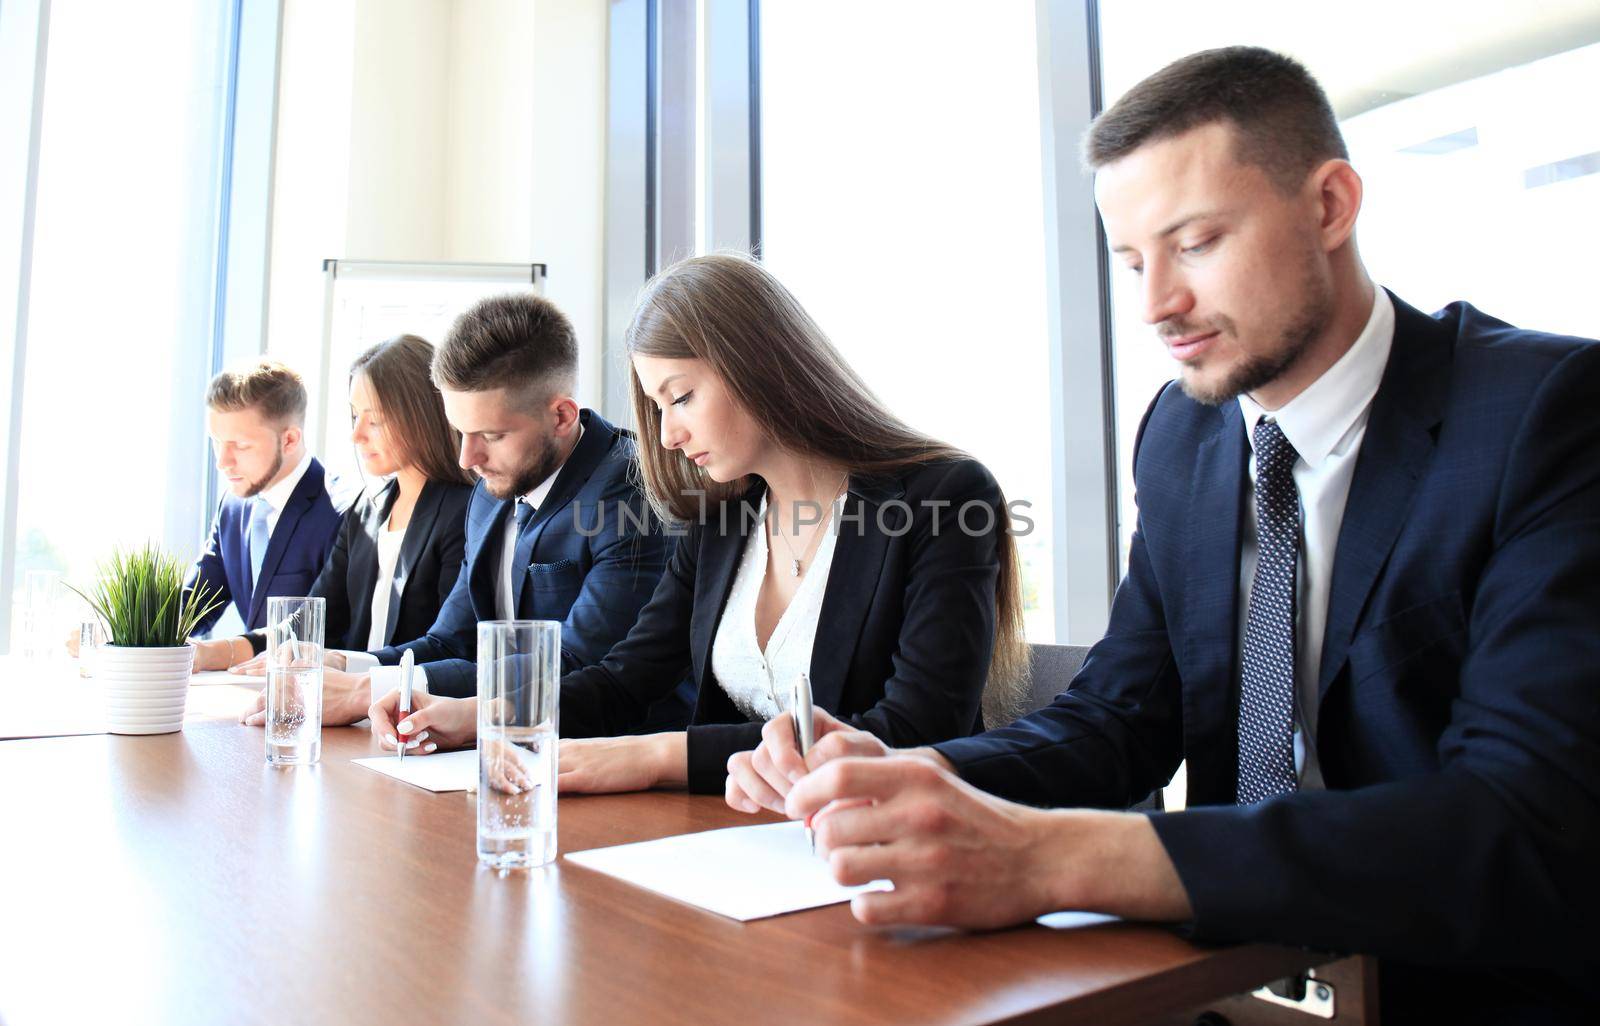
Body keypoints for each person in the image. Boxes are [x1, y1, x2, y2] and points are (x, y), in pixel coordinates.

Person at [753, 47, 1600, 1024]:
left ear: (1329, 206)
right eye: (1131, 261)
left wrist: (1050, 857)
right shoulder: (1185, 434)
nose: (1156, 304)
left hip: (1464, 989)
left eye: (1194, 243)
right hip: (1226, 983)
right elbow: (1119, 716)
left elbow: (1522, 818)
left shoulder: (1545, 414)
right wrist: (917, 774)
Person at [369, 253, 1029, 794]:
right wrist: (481, 716)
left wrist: (657, 757)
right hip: (735, 843)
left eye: (680, 396)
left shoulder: (943, 498)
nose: (670, 433)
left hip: (890, 853)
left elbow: (913, 729)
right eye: (657, 407)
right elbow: (627, 677)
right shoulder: (722, 522)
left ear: (760, 365)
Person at [322, 292, 689, 733]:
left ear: (561, 416)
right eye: (460, 432)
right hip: (504, 751)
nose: (466, 458)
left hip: (614, 763)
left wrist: (375, 689)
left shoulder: (631, 491)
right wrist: (346, 664)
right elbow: (452, 640)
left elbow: (575, 664)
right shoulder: (489, 490)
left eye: (490, 435)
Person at [190, 337, 475, 726]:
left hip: (412, 720)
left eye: (373, 420)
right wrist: (231, 651)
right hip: (352, 720)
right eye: (355, 416)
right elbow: (313, 617)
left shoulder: (465, 510)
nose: (357, 435)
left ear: (420, 416)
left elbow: (450, 646)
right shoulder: (366, 510)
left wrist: (346, 666)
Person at [186, 359, 351, 634]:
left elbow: (327, 630)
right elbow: (192, 605)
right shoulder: (232, 507)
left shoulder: (340, 512)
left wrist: (225, 652)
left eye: (240, 445)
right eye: (216, 442)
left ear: (289, 440)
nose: (222, 462)